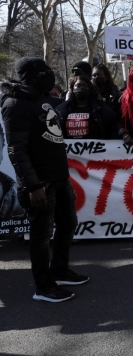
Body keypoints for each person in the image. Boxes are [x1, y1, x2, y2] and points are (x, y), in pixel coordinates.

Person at [1, 57, 87, 302]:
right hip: (39, 184)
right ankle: (44, 286)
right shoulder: (15, 104)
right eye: (44, 72)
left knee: (68, 223)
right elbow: (17, 150)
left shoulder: (42, 100)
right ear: (29, 77)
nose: (50, 75)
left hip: (58, 178)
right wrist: (33, 185)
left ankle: (59, 270)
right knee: (40, 236)